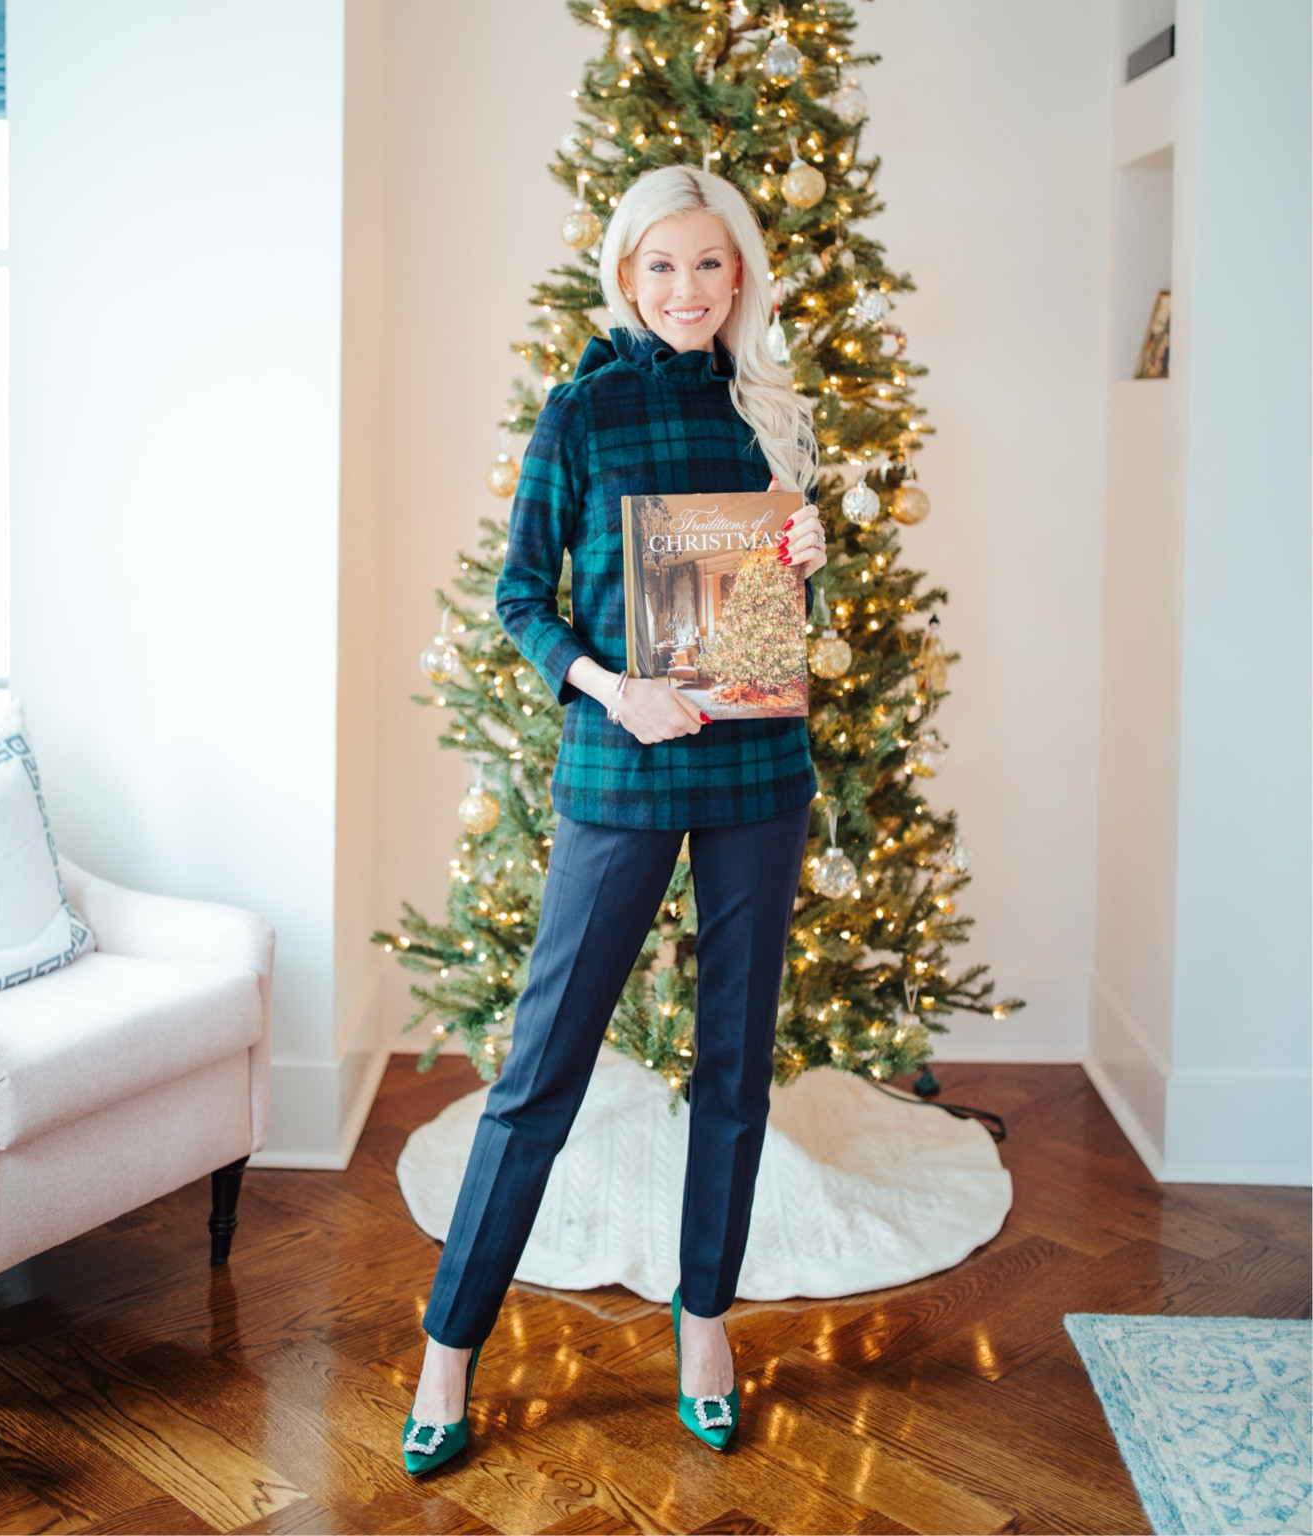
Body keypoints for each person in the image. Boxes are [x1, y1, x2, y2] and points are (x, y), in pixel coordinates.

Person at [401, 164, 827, 1474]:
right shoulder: (579, 411)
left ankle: (705, 1325)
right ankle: (447, 1352)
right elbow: (521, 598)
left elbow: (766, 609)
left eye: (708, 266)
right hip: (622, 764)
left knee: (734, 1070)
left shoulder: (771, 410)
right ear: (624, 274)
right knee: (539, 1076)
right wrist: (611, 690)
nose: (685, 291)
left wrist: (805, 554)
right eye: (660, 267)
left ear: (739, 273)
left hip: (755, 773)